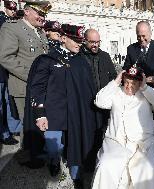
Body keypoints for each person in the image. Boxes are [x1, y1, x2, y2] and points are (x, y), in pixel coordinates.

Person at [27, 23, 98, 189]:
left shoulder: (81, 60)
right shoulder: (48, 59)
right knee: (54, 147)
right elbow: (38, 88)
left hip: (76, 113)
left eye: (80, 42)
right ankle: (53, 161)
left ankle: (76, 176)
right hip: (54, 113)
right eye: (75, 41)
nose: (79, 44)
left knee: (77, 145)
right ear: (64, 38)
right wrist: (40, 114)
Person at [92, 66, 154, 189]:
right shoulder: (117, 92)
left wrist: (145, 88)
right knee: (106, 165)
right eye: (126, 82)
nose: (129, 86)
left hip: (143, 144)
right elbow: (99, 101)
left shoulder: (146, 94)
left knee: (147, 169)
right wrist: (115, 82)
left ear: (140, 83)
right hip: (116, 142)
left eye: (134, 83)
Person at [0, 0, 51, 124]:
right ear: (27, 11)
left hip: (43, 87)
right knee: (30, 129)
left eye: (43, 14)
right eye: (39, 13)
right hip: (24, 87)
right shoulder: (12, 27)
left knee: (43, 126)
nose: (42, 17)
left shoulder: (40, 32)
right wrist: (33, 76)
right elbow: (6, 57)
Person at [79, 28, 117, 170]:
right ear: (85, 41)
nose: (95, 45)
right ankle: (88, 163)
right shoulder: (79, 57)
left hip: (104, 105)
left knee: (104, 132)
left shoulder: (105, 56)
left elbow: (113, 77)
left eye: (97, 42)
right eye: (92, 42)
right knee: (88, 134)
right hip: (87, 104)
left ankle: (103, 162)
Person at [123, 20, 154, 127]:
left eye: (144, 36)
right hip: (137, 91)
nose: (141, 39)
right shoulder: (131, 49)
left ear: (150, 33)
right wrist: (140, 77)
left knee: (153, 123)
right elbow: (126, 69)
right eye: (138, 36)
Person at [0, 0, 22, 145]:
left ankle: (13, 129)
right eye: (11, 9)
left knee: (9, 101)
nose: (13, 11)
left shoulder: (11, 22)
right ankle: (4, 134)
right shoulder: (3, 21)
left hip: (7, 69)